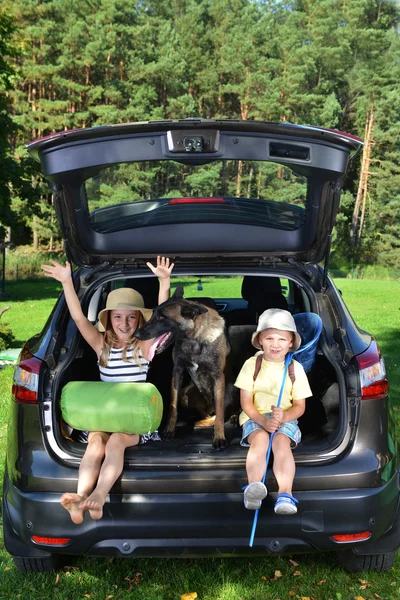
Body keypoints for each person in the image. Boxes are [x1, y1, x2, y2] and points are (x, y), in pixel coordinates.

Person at [41, 256, 174, 524]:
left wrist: (164, 281)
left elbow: (162, 316)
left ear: (139, 320)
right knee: (95, 444)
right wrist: (68, 282)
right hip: (104, 418)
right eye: (117, 317)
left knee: (115, 442)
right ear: (108, 319)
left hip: (133, 425)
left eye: (130, 317)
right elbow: (78, 319)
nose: (124, 323)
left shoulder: (143, 347)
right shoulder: (101, 346)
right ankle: (80, 497)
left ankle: (100, 494)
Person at [234, 308, 312, 515]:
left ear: (290, 343)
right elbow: (246, 403)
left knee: (280, 442)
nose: (275, 344)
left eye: (281, 339)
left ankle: (285, 494)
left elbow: (300, 406)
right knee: (260, 440)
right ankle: (253, 489)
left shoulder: (296, 369)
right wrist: (263, 421)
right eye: (269, 338)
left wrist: (284, 417)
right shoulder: (252, 365)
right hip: (254, 416)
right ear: (260, 340)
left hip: (285, 418)